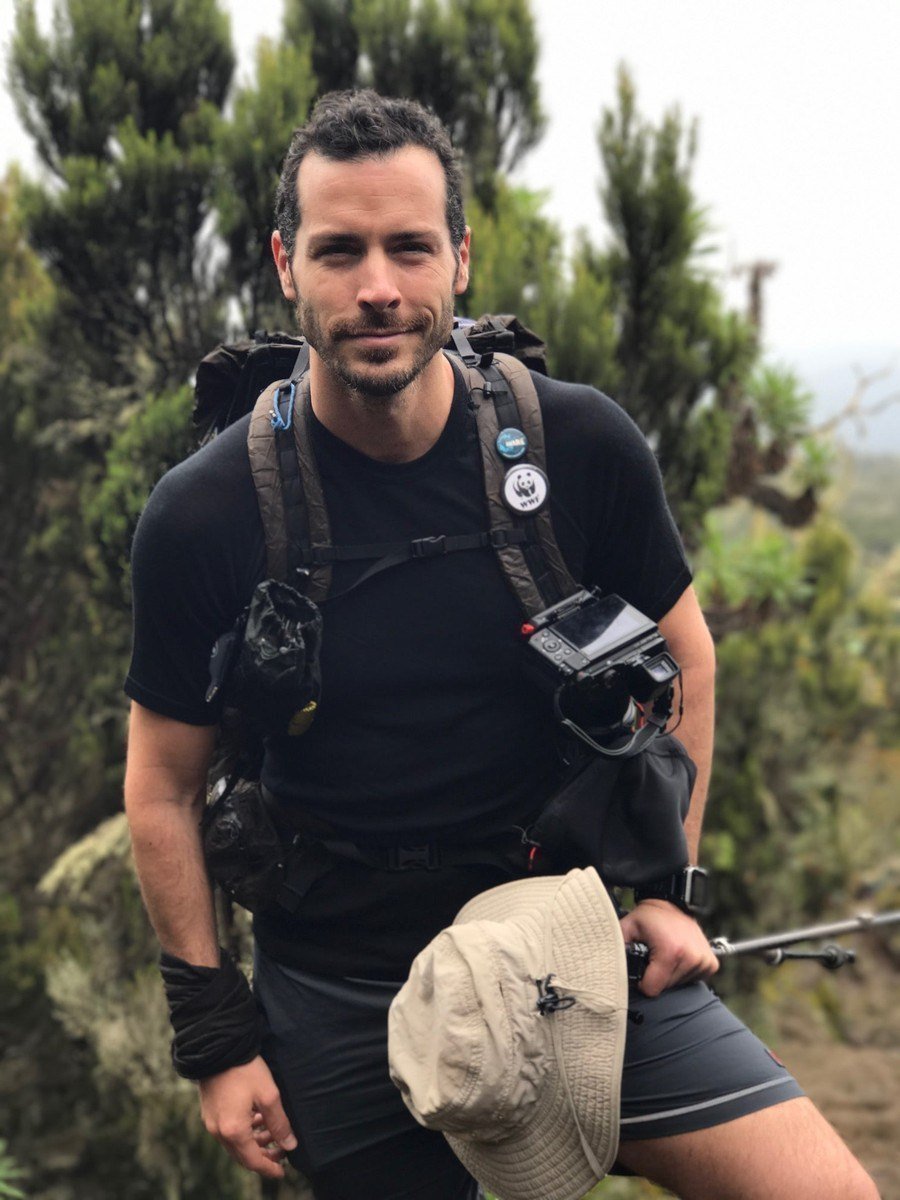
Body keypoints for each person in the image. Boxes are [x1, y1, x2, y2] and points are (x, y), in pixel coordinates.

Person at [123, 90, 879, 1200]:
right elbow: (162, 789)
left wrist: (667, 889)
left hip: (567, 953)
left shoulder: (576, 444)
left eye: (409, 247)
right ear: (287, 266)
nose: (378, 285)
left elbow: (689, 661)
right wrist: (218, 1041)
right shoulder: (206, 513)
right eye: (340, 250)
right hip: (343, 992)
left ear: (460, 258)